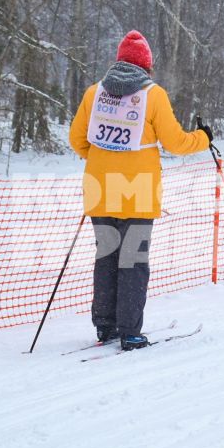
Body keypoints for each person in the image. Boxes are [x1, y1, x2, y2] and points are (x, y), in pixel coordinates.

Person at [67, 30, 210, 350]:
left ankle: (105, 325)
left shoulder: (94, 93)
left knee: (106, 256)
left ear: (118, 62)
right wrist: (204, 138)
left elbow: (77, 140)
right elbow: (175, 142)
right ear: (146, 66)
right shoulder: (153, 94)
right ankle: (130, 331)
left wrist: (103, 161)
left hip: (100, 189)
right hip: (138, 191)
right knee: (132, 259)